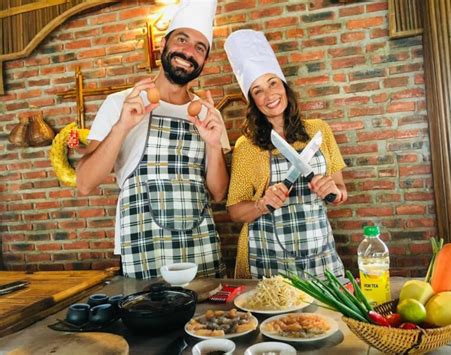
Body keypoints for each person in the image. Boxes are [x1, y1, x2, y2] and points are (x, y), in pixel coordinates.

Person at [76, 0, 230, 279]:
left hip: (200, 246)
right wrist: (122, 126)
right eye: (182, 40)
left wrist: (213, 142)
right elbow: (85, 183)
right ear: (163, 44)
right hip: (143, 244)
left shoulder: (209, 115)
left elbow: (218, 193)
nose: (188, 52)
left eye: (200, 48)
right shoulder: (121, 103)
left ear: (204, 61)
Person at [224, 30, 347, 279]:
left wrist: (332, 193)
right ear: (253, 101)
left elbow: (342, 190)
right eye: (258, 90)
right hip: (267, 258)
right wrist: (261, 204)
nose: (269, 95)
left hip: (319, 253)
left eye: (272, 83)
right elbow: (235, 211)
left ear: (284, 86)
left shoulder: (319, 131)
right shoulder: (246, 146)